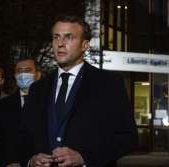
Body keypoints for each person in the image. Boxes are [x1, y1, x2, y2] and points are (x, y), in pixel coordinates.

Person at [22, 15, 137, 167]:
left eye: (68, 38)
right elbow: (23, 135)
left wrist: (84, 157)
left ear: (85, 45)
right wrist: (31, 160)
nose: (60, 44)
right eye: (56, 37)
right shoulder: (38, 88)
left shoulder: (109, 84)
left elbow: (127, 137)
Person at [0, 57, 41, 167]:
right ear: (15, 76)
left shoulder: (50, 102)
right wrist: (8, 162)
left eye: (27, 70)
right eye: (19, 71)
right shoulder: (3, 105)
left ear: (38, 75)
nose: (23, 75)